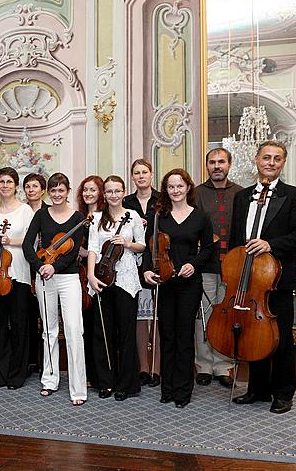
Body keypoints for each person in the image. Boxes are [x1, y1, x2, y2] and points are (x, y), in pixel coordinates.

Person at [231, 141, 296, 414]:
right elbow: (235, 239)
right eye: (266, 157)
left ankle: (283, 392)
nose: (271, 162)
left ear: (283, 163)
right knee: (253, 334)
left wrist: (270, 244)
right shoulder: (242, 197)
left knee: (280, 337)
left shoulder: (295, 195)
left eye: (277, 158)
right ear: (256, 160)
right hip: (248, 278)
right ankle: (257, 389)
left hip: (276, 279)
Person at [143, 169, 214, 408]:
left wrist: (193, 265)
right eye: (171, 187)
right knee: (168, 336)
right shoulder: (158, 217)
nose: (175, 191)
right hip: (165, 283)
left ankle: (183, 390)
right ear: (166, 190)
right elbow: (148, 249)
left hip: (189, 285)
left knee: (184, 337)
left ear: (187, 187)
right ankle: (168, 388)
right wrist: (146, 271)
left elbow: (207, 249)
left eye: (179, 186)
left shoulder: (200, 217)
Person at [23, 173, 87, 405]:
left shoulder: (78, 218)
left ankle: (78, 388)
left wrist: (54, 266)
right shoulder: (41, 215)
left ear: (68, 191)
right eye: (53, 191)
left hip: (68, 278)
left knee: (73, 329)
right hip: (44, 277)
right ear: (48, 192)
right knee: (48, 330)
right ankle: (49, 379)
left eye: (61, 190)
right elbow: (27, 245)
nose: (57, 194)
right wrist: (41, 266)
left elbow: (73, 251)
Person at [87, 175, 146, 401]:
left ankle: (126, 384)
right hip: (102, 277)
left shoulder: (133, 216)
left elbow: (142, 246)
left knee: (126, 333)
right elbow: (93, 248)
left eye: (117, 191)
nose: (113, 195)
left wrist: (128, 244)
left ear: (123, 192)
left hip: (126, 279)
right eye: (109, 191)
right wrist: (91, 276)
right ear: (105, 194)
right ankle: (106, 382)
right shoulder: (97, 218)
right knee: (103, 332)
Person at [0, 167, 34, 390]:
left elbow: (31, 242)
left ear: (15, 185)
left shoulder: (26, 211)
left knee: (19, 325)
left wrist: (10, 241)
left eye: (9, 182)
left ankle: (17, 373)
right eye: (1, 181)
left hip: (18, 273)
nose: (5, 185)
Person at [194, 148, 242, 388]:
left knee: (226, 316)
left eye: (221, 162)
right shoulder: (196, 194)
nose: (216, 166)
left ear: (229, 165)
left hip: (234, 267)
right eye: (212, 162)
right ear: (206, 166)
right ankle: (203, 365)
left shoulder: (242, 194)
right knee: (203, 316)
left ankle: (224, 366)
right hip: (205, 266)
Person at [123, 159, 161, 387]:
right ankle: (143, 368)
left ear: (151, 174)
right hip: (132, 265)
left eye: (144, 172)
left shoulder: (162, 200)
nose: (140, 176)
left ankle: (156, 368)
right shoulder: (126, 202)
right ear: (132, 177)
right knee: (139, 318)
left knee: (157, 318)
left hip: (157, 261)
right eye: (136, 173)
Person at [76, 175, 106, 390]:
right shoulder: (78, 217)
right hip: (79, 276)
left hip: (99, 275)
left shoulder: (105, 217)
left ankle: (101, 375)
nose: (88, 193)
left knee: (99, 327)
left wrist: (86, 252)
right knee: (84, 326)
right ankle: (86, 373)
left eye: (93, 190)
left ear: (100, 193)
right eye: (85, 189)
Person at [22, 172, 47, 376]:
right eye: (28, 186)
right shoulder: (20, 211)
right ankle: (30, 360)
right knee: (28, 315)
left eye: (35, 186)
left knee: (45, 317)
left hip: (46, 267)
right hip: (23, 266)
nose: (31, 190)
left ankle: (44, 360)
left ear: (43, 190)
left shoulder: (49, 211)